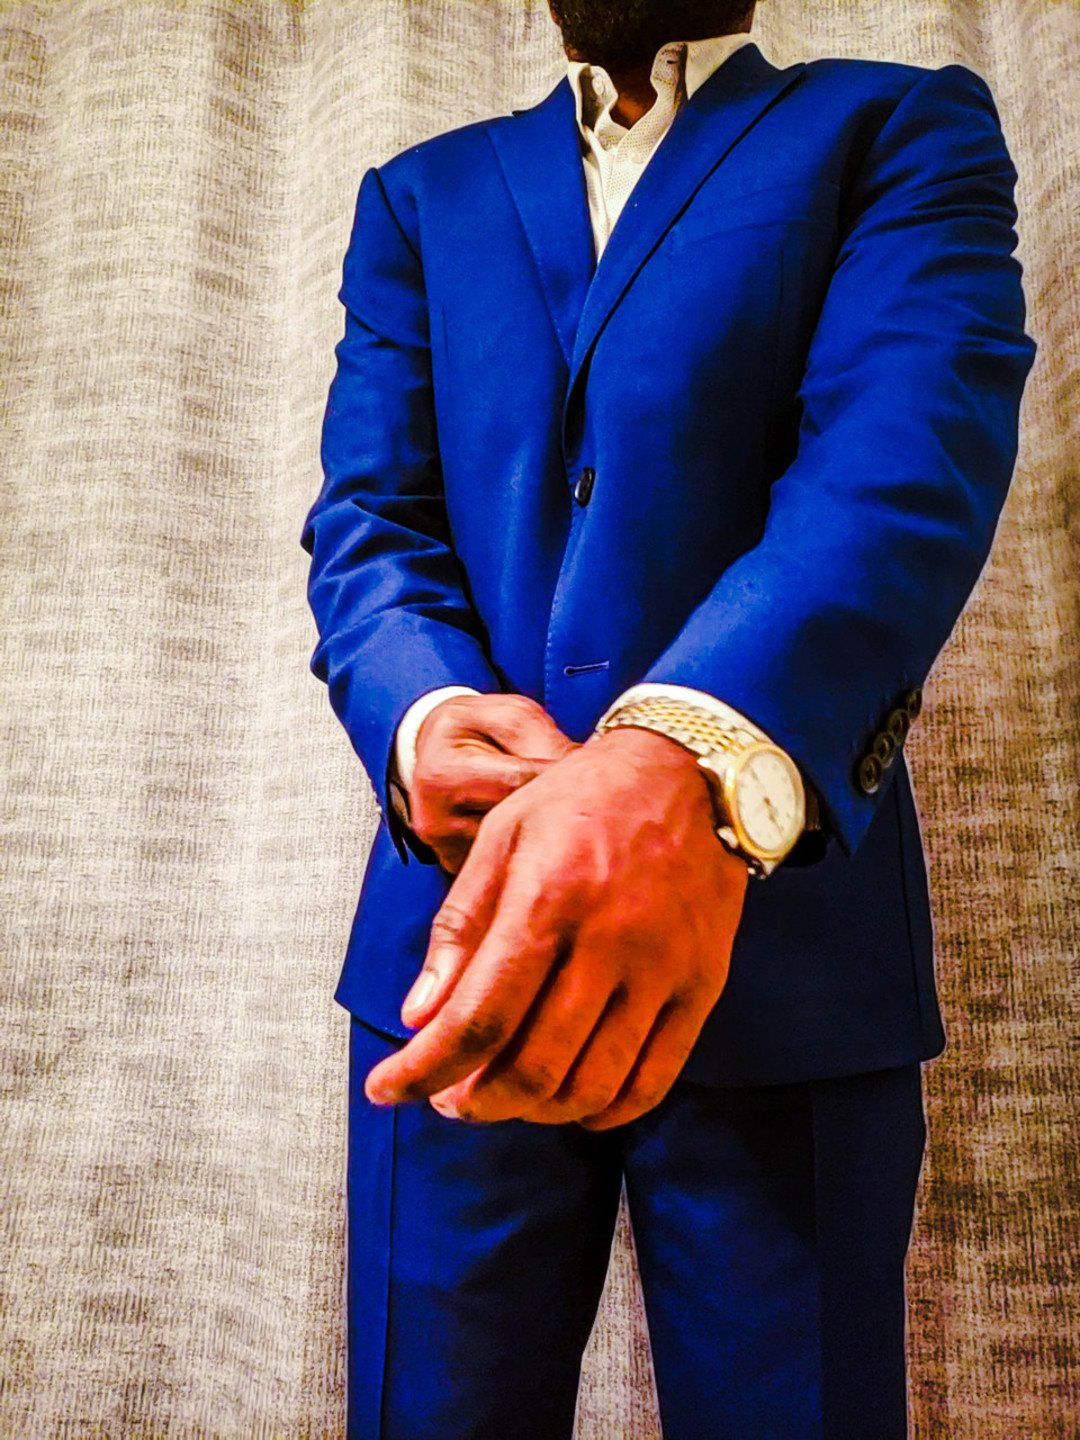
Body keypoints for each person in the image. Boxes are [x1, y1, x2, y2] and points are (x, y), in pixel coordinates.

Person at [301, 1, 1036, 1434]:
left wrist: (685, 752)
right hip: (456, 955)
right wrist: (423, 714)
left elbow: (901, 456)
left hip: (790, 956)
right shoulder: (418, 198)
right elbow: (370, 519)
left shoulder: (896, 131)